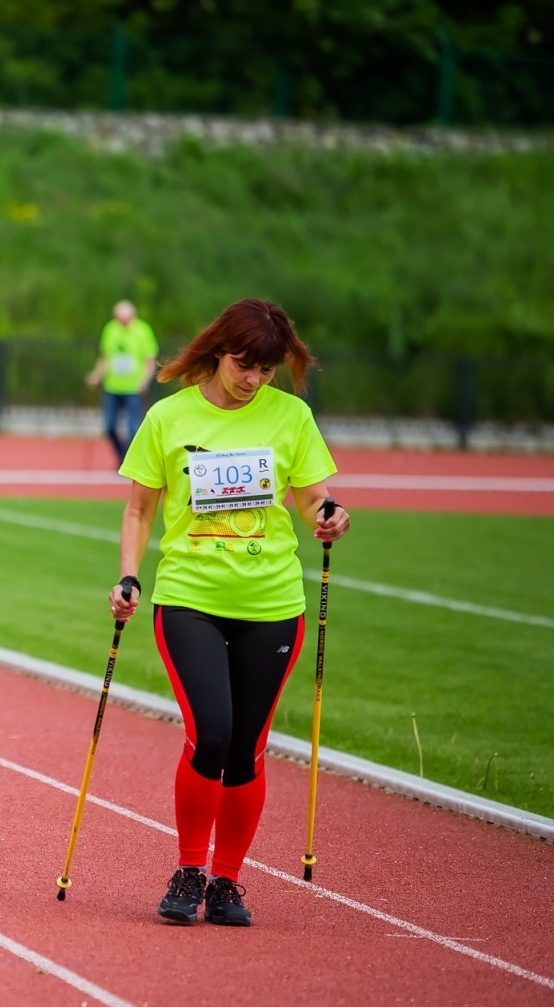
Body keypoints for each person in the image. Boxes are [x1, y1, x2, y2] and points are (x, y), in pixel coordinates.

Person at [109, 298, 349, 926]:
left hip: (272, 602)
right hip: (190, 597)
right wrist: (129, 574)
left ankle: (226, 882)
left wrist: (328, 517)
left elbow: (311, 498)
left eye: (267, 371)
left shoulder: (291, 416)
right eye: (245, 365)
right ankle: (189, 870)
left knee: (246, 747)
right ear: (220, 351)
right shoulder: (169, 418)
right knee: (209, 733)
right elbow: (139, 510)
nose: (253, 380)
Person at [86, 299, 159, 463]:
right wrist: (96, 375)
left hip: (133, 387)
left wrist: (144, 381)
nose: (122, 322)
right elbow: (105, 357)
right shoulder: (110, 329)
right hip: (112, 386)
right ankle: (121, 455)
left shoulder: (143, 331)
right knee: (109, 425)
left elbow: (149, 360)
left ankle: (128, 459)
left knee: (133, 428)